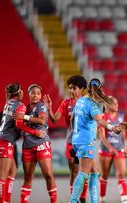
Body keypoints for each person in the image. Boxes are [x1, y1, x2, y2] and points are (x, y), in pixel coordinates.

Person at [69, 78, 121, 203]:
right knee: (83, 173)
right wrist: (112, 127)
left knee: (95, 172)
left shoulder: (81, 100)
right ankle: (72, 201)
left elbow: (72, 119)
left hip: (77, 140)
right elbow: (99, 120)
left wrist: (75, 135)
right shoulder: (93, 105)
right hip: (87, 141)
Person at [0, 83, 44, 203]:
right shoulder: (20, 106)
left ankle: (6, 200)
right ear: (19, 92)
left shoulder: (8, 103)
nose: (23, 93)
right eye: (21, 91)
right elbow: (19, 124)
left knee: (12, 171)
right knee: (2, 176)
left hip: (0, 139)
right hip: (4, 141)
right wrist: (34, 132)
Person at [43, 75, 88, 203]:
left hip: (84, 142)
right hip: (71, 143)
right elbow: (55, 119)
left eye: (74, 88)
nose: (71, 91)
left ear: (81, 89)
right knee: (74, 172)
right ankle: (74, 200)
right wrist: (49, 107)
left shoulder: (88, 103)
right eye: (70, 88)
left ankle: (83, 199)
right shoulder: (66, 103)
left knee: (84, 173)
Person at [15, 84, 57, 203]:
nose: (36, 95)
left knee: (48, 175)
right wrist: (31, 129)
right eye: (33, 93)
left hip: (41, 144)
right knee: (28, 177)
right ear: (28, 94)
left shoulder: (41, 106)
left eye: (38, 93)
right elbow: (19, 124)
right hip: (27, 145)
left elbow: (42, 120)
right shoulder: (24, 108)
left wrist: (25, 117)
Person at [98, 96, 127, 203]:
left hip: (119, 148)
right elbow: (102, 136)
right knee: (104, 175)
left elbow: (123, 134)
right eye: (113, 103)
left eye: (117, 103)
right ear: (107, 104)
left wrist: (126, 147)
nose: (116, 105)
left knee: (121, 174)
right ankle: (102, 199)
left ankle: (124, 200)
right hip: (106, 150)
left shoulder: (120, 116)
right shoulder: (103, 117)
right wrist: (110, 148)